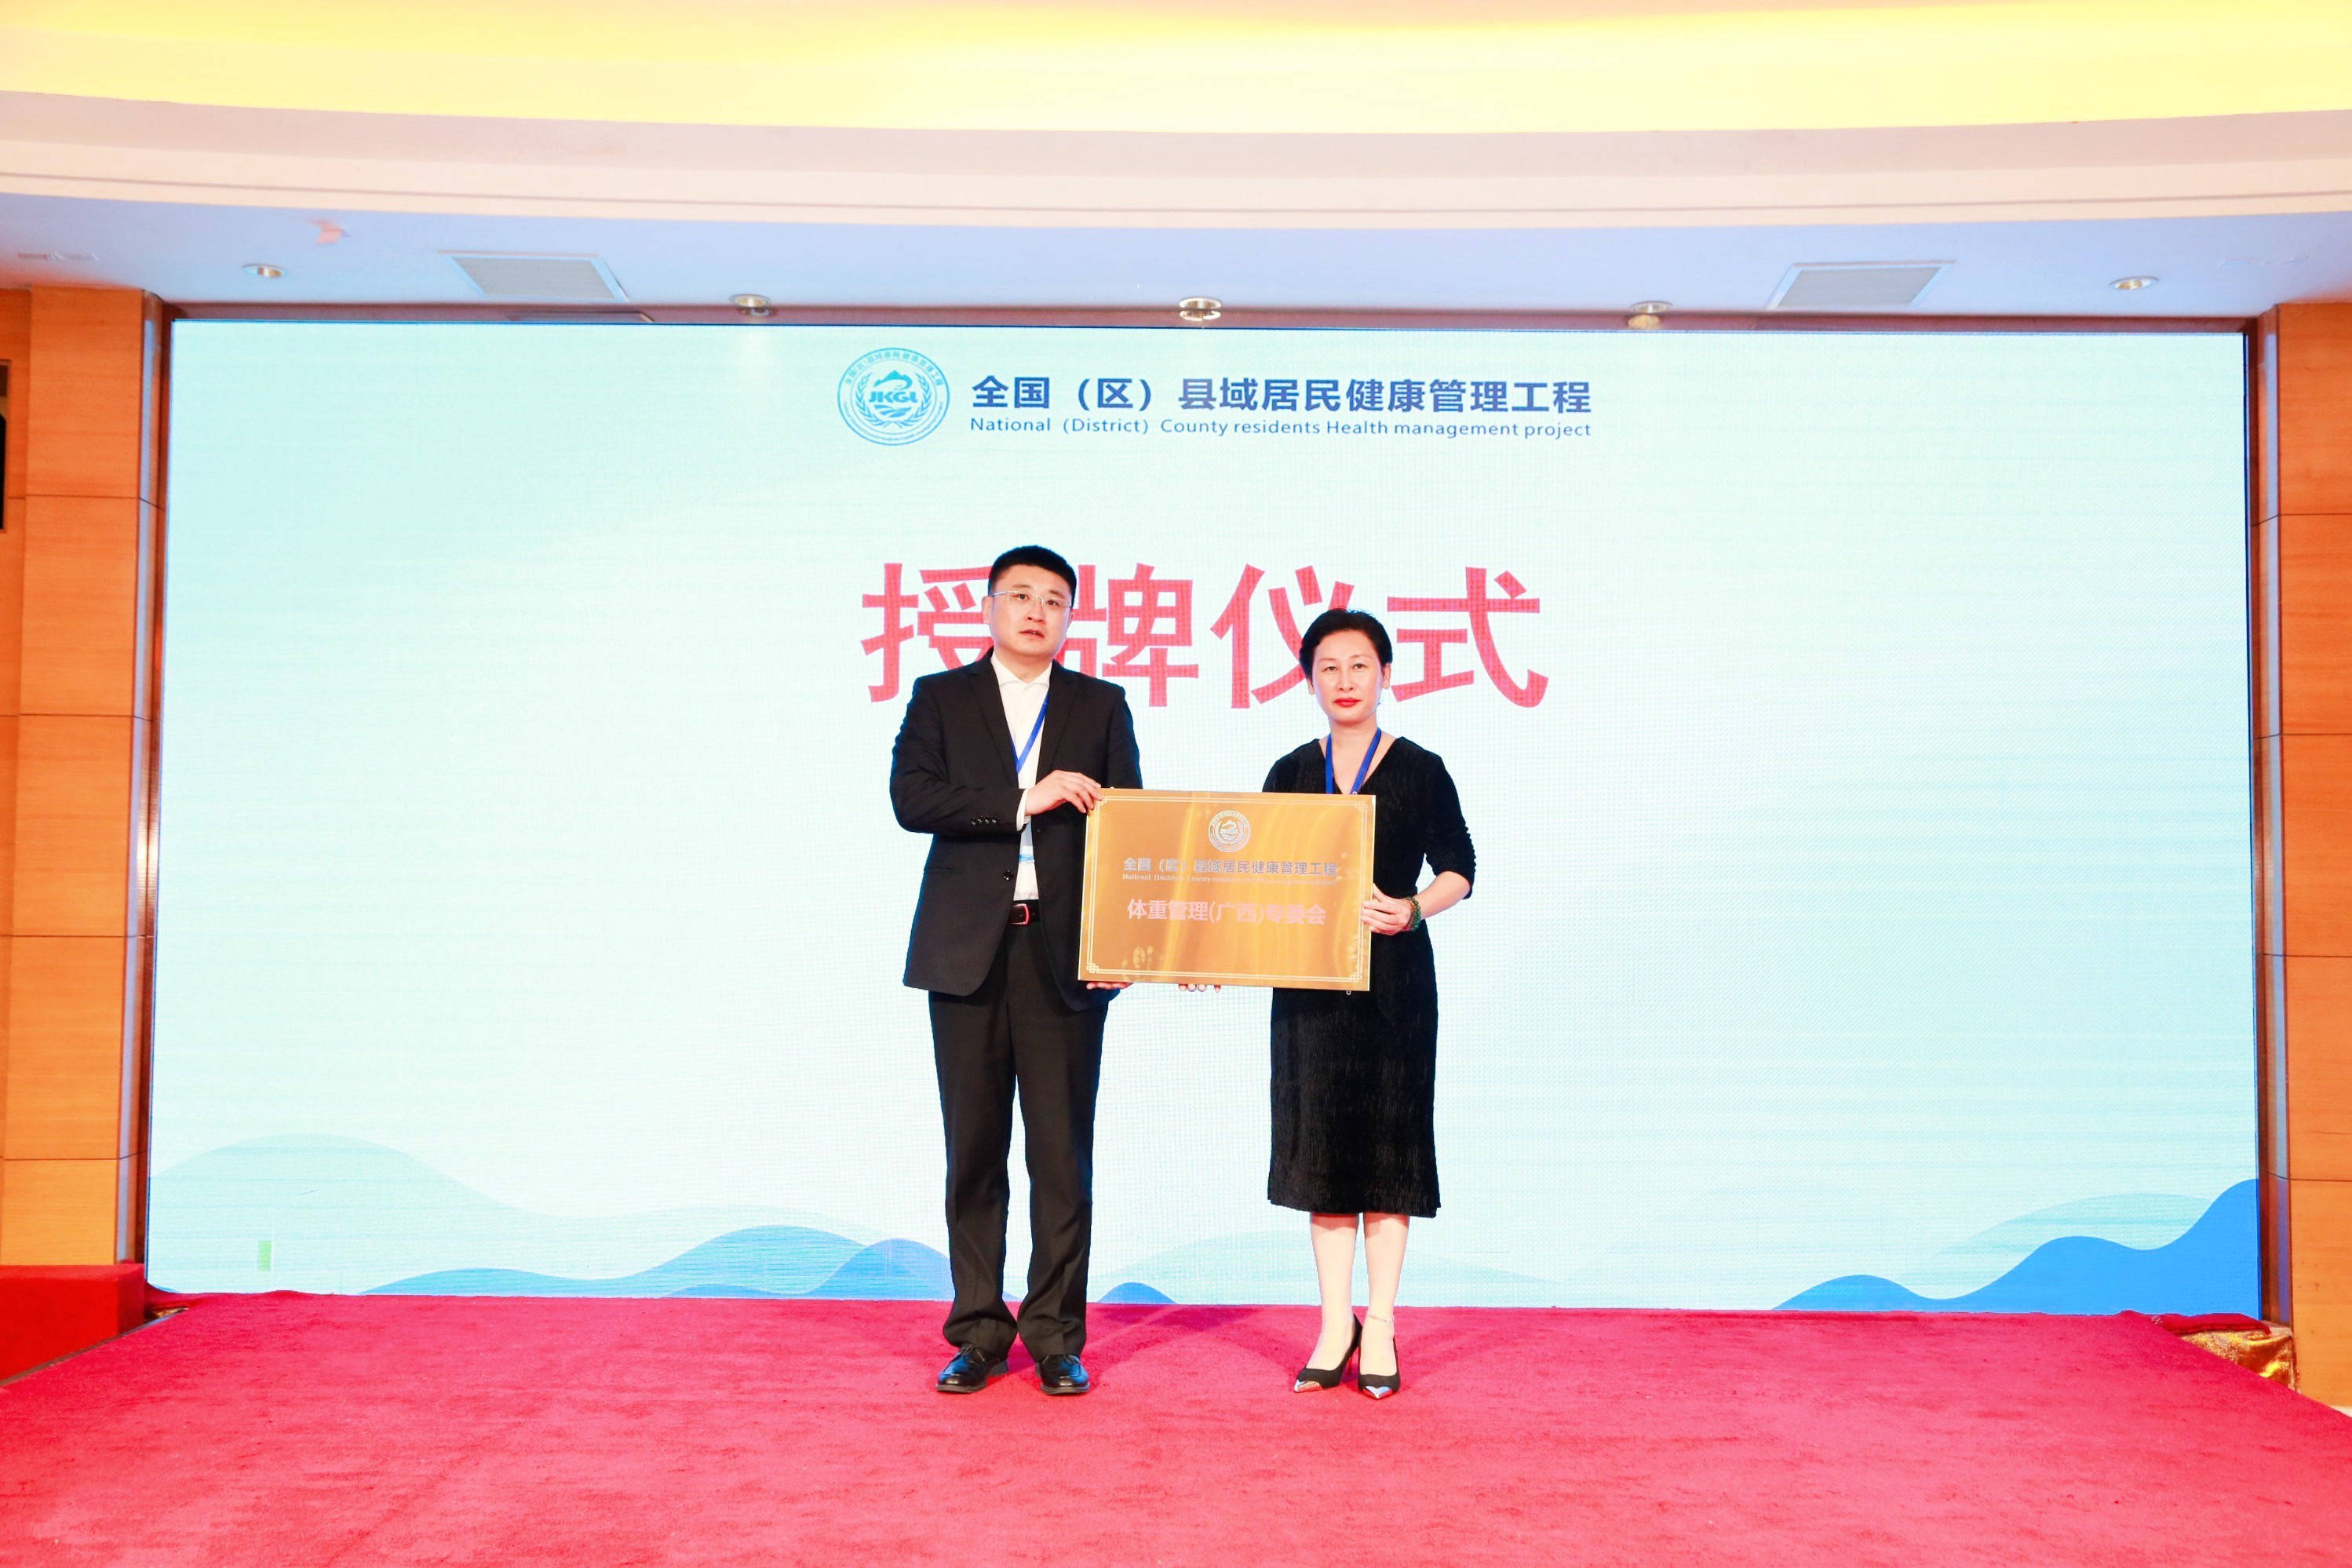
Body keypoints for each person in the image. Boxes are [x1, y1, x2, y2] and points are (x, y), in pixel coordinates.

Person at [891, 545, 1141, 1397]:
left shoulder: (1099, 704)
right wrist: (1022, 800)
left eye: (1055, 600)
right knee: (974, 1150)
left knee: (1061, 1156)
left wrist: (1120, 943)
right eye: (1022, 595)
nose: (1038, 611)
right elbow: (911, 799)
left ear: (1070, 617)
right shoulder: (941, 697)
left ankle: (1057, 1336)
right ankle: (977, 1334)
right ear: (990, 607)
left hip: (1063, 955)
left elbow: (1128, 834)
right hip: (966, 951)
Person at [1260, 607, 1474, 1400]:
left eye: (1359, 665)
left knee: (1388, 1156)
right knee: (1320, 1158)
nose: (1344, 681)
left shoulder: (1420, 767)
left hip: (1394, 986)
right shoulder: (1289, 772)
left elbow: (1460, 866)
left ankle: (1379, 1323)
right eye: (1328, 668)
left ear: (1385, 675)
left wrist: (1412, 909)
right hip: (1308, 986)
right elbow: (1254, 881)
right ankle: (1332, 1324)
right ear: (1309, 681)